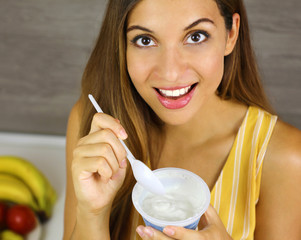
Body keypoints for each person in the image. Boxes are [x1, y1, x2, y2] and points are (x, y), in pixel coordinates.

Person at [63, 0, 301, 239]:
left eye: (196, 36)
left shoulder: (284, 158)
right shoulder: (96, 130)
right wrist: (92, 214)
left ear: (231, 34)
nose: (170, 73)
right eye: (145, 40)